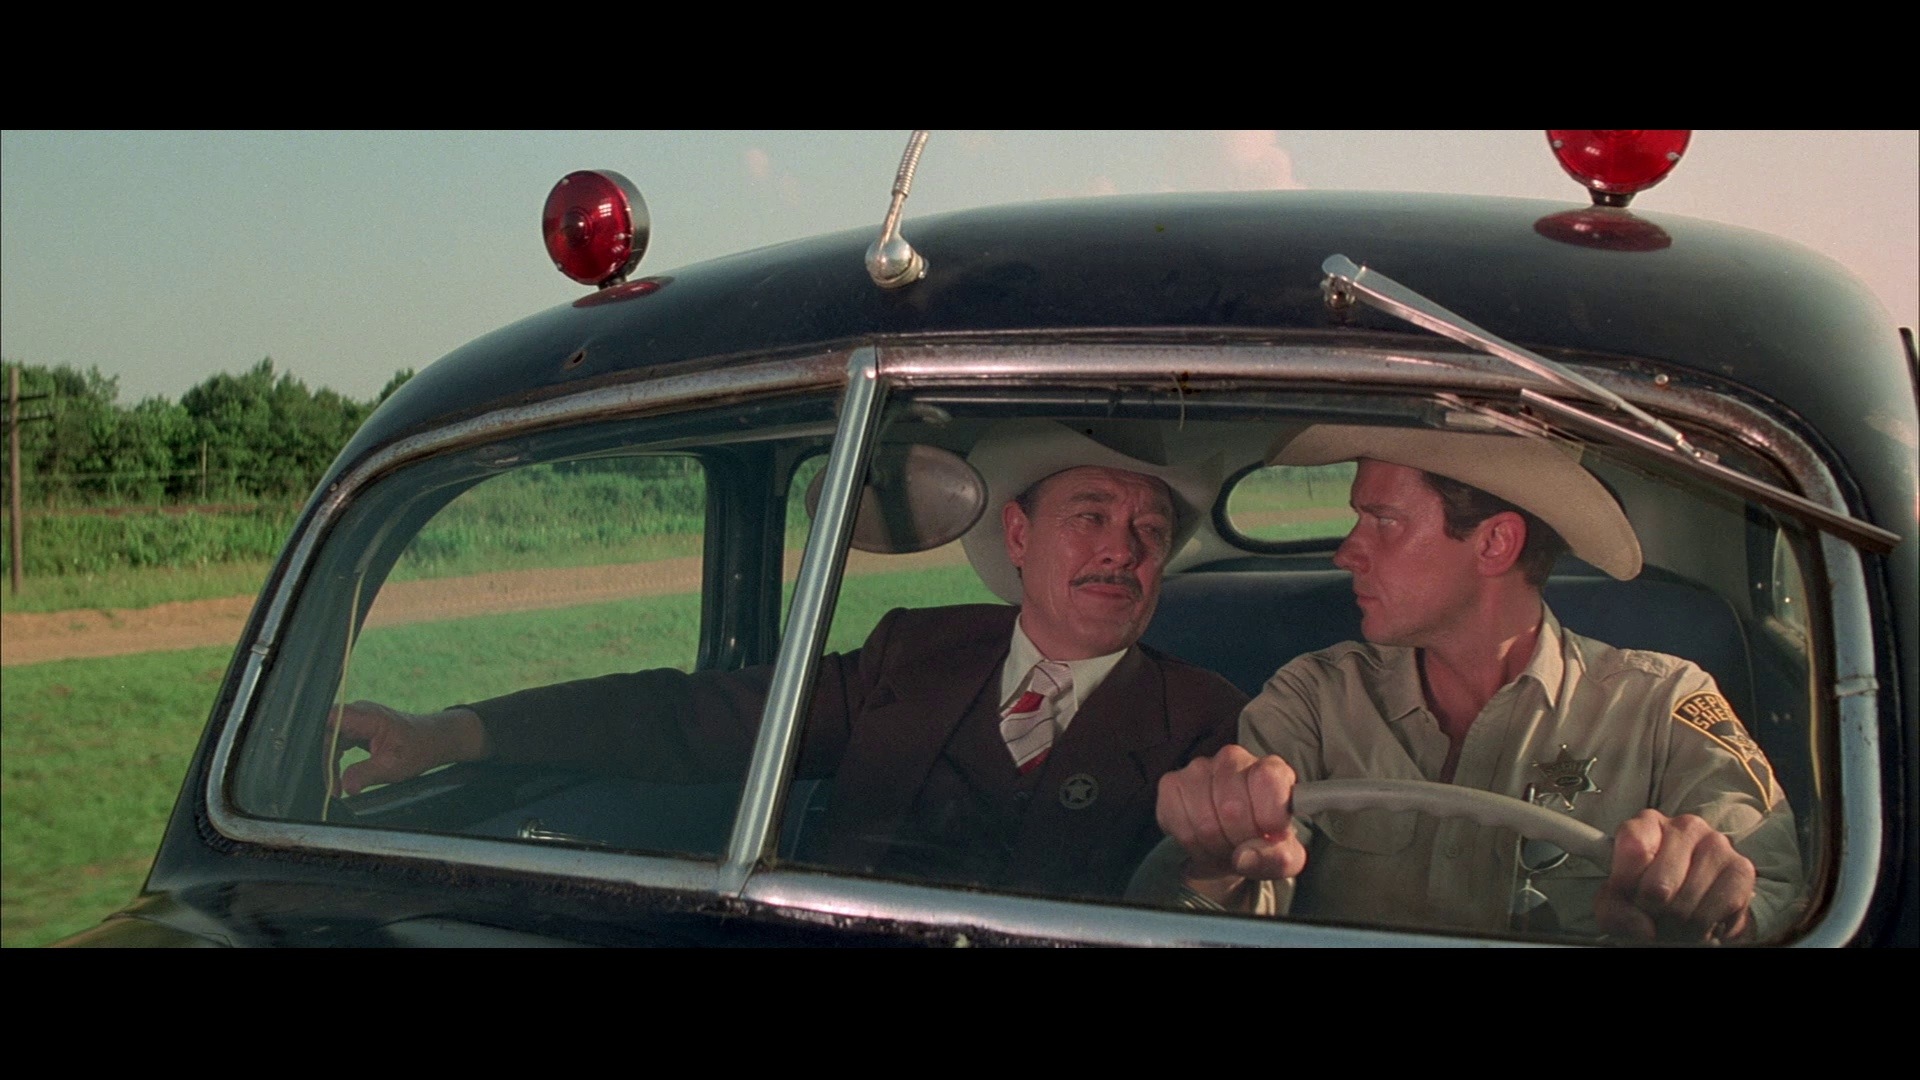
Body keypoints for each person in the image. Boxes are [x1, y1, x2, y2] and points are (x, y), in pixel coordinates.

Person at [333, 419, 1246, 899]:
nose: (1122, 549)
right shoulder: (913, 652)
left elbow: (1208, 898)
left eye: (1149, 530)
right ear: (1017, 535)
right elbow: (693, 719)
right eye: (1091, 516)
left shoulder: (1204, 716)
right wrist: (454, 733)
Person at [1142, 424, 1803, 941]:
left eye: (1383, 520)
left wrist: (1720, 908)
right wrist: (1218, 860)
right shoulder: (1313, 697)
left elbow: (1778, 900)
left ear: (1494, 545)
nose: (1346, 551)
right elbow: (1243, 910)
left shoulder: (1662, 704)